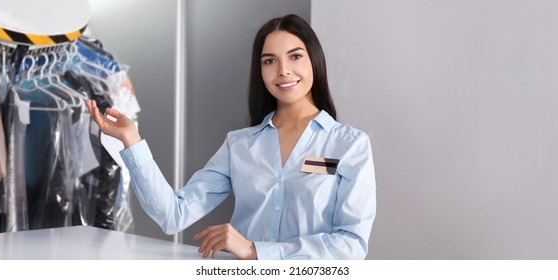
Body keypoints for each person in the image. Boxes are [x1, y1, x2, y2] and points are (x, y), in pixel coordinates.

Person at [85, 14, 376, 260]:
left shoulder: (349, 145)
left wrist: (255, 251)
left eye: (295, 56)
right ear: (260, 70)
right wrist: (132, 140)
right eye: (269, 61)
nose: (283, 70)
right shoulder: (240, 144)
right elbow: (173, 215)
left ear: (314, 59)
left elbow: (351, 245)